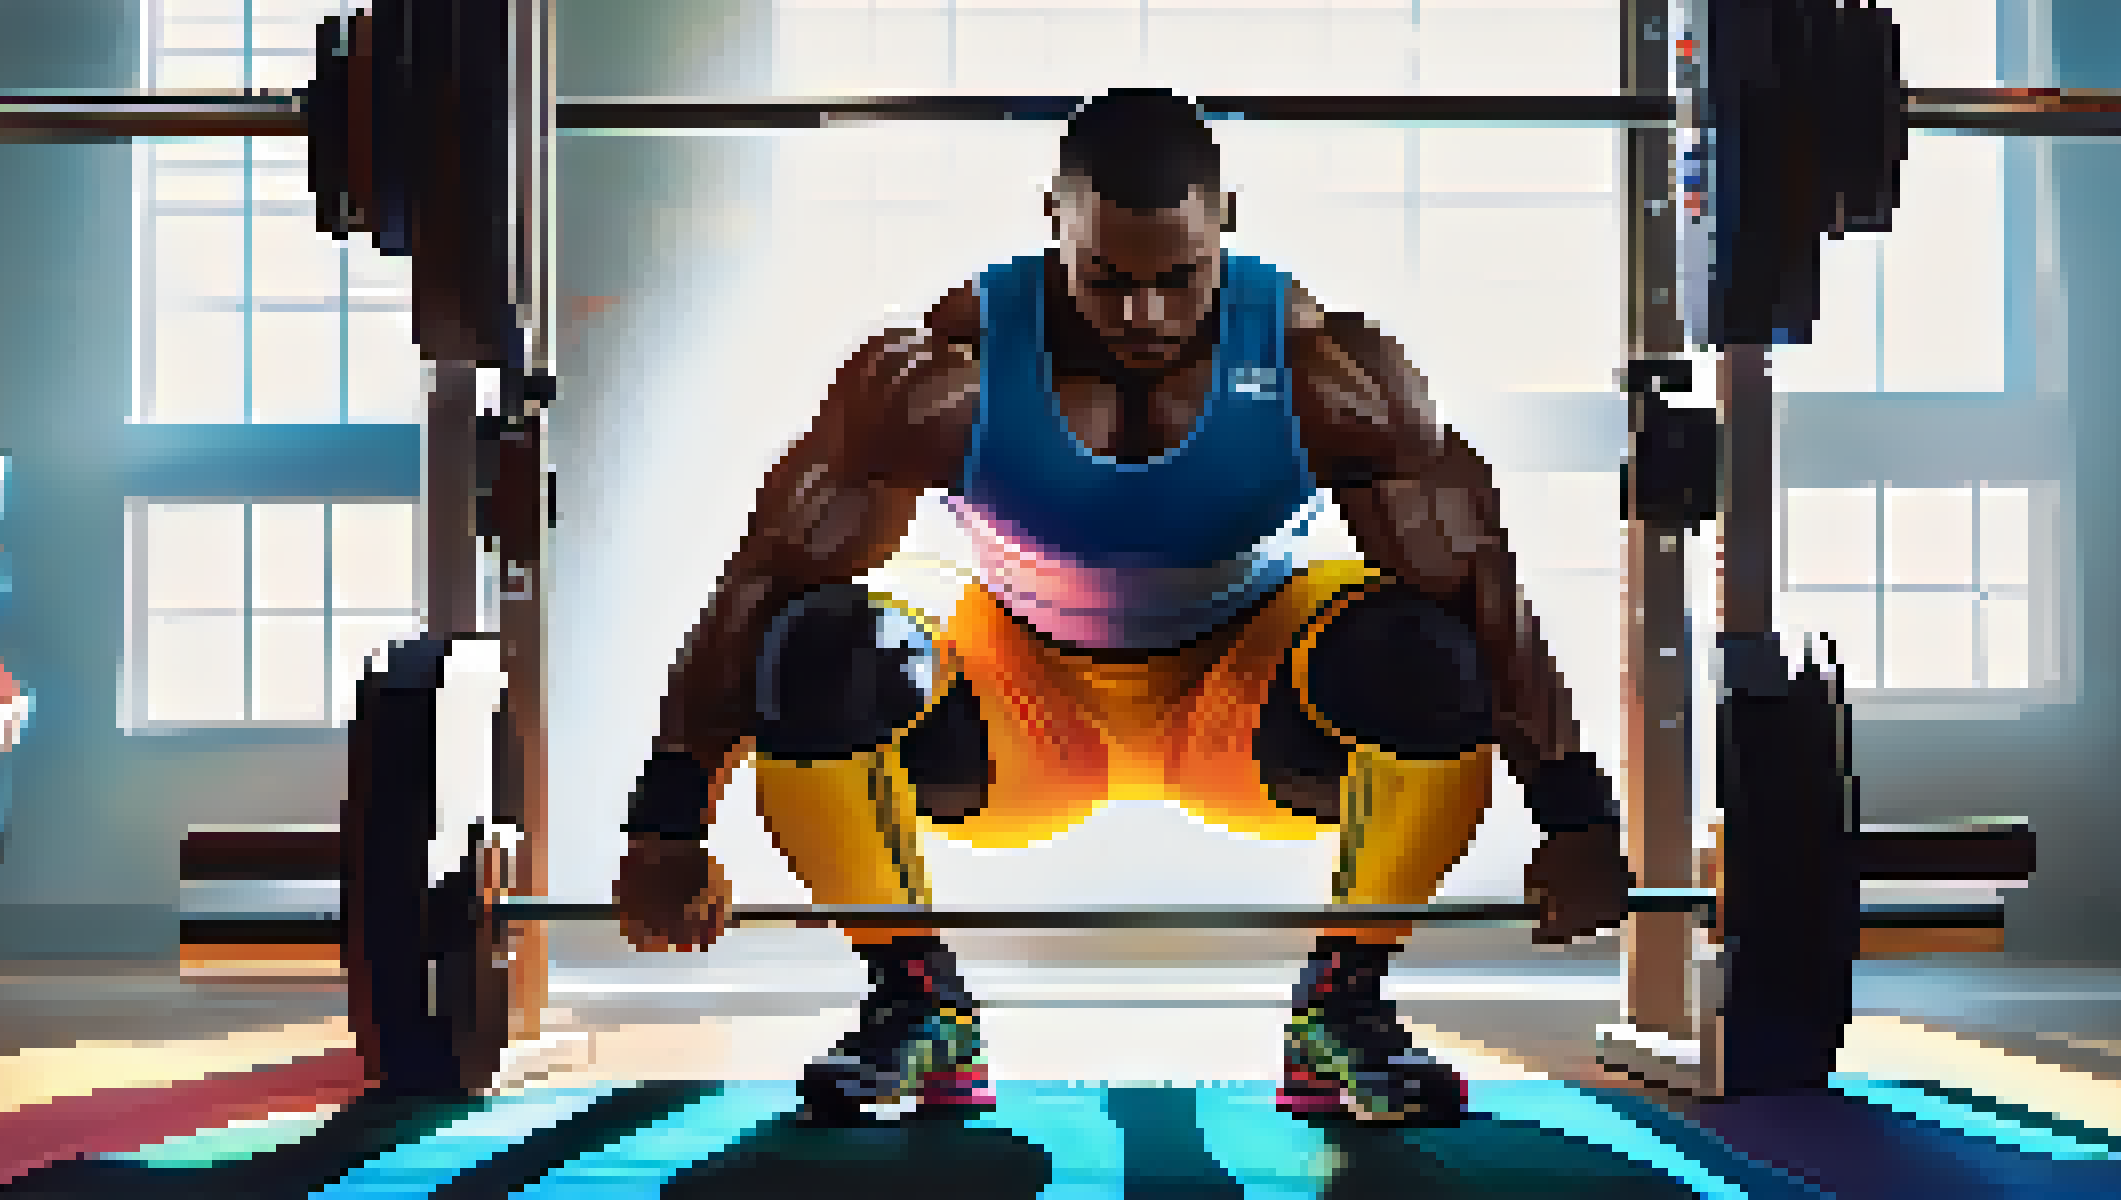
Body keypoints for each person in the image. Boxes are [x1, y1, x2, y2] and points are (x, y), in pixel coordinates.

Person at [612, 88, 1634, 1127]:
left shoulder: (1327, 371)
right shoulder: (940, 376)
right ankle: (918, 1008)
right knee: (821, 643)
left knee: (1428, 651)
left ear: (1224, 222)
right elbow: (765, 576)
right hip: (1021, 708)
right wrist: (669, 822)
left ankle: (1345, 1012)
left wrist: (1577, 809)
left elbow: (1477, 578)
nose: (1144, 314)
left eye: (1179, 279)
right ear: (1053, 220)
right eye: (1108, 278)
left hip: (1243, 705)